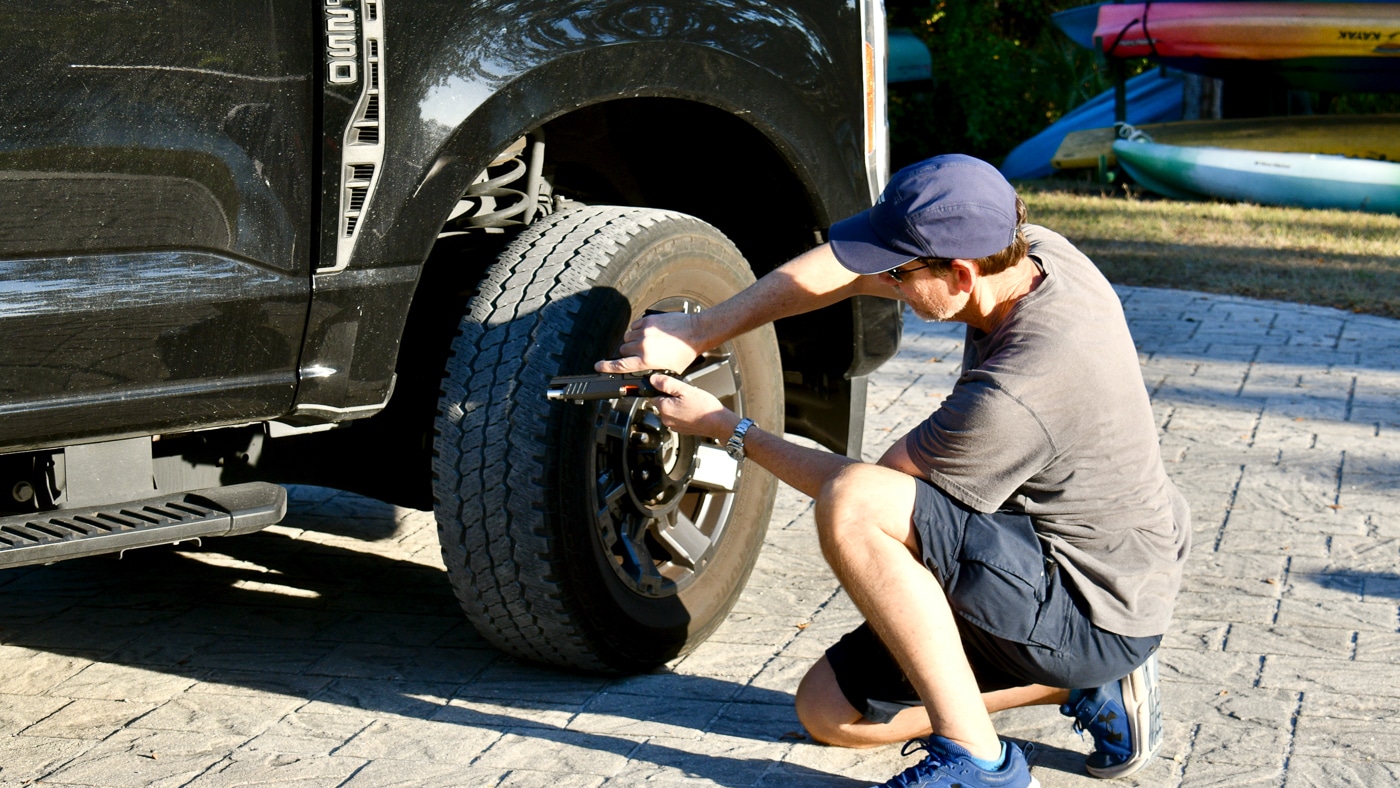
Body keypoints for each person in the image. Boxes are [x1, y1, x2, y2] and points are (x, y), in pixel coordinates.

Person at [596, 154, 1191, 788]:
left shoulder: (1018, 391)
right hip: (1052, 556)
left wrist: (727, 428)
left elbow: (864, 494)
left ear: (960, 274)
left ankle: (981, 768)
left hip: (1090, 605)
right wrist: (698, 329)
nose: (889, 285)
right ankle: (1079, 687)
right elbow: (847, 270)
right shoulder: (1032, 252)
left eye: (901, 274)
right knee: (829, 714)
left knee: (856, 505)